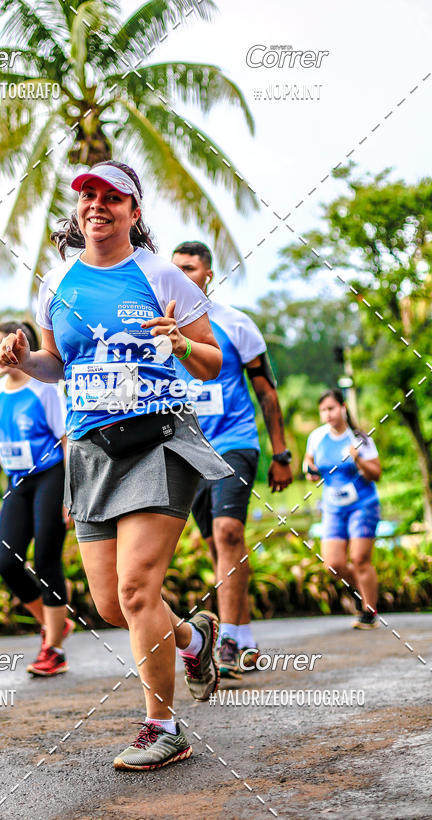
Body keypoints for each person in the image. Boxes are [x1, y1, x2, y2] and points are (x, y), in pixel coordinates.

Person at [0, 160, 232, 772]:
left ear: (133, 211)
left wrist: (181, 342)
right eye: (88, 196)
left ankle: (163, 726)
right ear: (79, 209)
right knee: (109, 604)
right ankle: (193, 638)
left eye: (111, 197)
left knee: (135, 589)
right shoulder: (57, 284)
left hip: (158, 440)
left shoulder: (159, 275)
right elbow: (55, 364)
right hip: (90, 451)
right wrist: (24, 356)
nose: (97, 205)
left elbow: (212, 363)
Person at [172, 241, 293, 678]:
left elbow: (266, 391)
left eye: (190, 268)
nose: (182, 275)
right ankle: (241, 633)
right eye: (175, 269)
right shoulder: (161, 328)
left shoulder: (236, 324)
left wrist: (280, 452)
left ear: (208, 274)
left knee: (228, 533)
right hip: (188, 450)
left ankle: (230, 642)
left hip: (235, 443)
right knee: (216, 545)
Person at [0, 320, 73, 676]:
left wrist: (70, 492)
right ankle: (55, 625)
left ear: (24, 350)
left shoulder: (45, 389)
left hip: (50, 477)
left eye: (4, 346)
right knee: (7, 562)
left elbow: (66, 441)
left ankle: (54, 649)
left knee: (47, 558)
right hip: (15, 484)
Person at [303, 388, 382, 629]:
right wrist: (310, 472)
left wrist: (357, 459)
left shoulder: (359, 438)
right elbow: (310, 464)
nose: (327, 414)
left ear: (343, 408)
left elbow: (376, 473)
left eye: (331, 408)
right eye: (323, 410)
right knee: (333, 564)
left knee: (359, 558)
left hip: (362, 504)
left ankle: (369, 612)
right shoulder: (316, 437)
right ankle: (362, 591)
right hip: (333, 507)